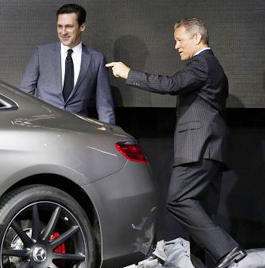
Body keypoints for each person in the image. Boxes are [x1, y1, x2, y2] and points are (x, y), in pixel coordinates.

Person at [106, 18, 247, 268]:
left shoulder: (202, 64)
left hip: (198, 147)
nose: (176, 45)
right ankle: (205, 263)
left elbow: (171, 84)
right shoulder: (211, 66)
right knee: (201, 211)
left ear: (196, 38)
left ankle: (228, 250)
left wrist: (130, 74)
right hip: (210, 149)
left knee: (179, 199)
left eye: (180, 40)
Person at [20, 4, 115, 124]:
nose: (63, 32)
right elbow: (24, 95)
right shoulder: (41, 53)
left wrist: (108, 133)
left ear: (82, 26)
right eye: (60, 26)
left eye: (69, 27)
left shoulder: (96, 59)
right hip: (45, 127)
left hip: (78, 131)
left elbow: (104, 104)